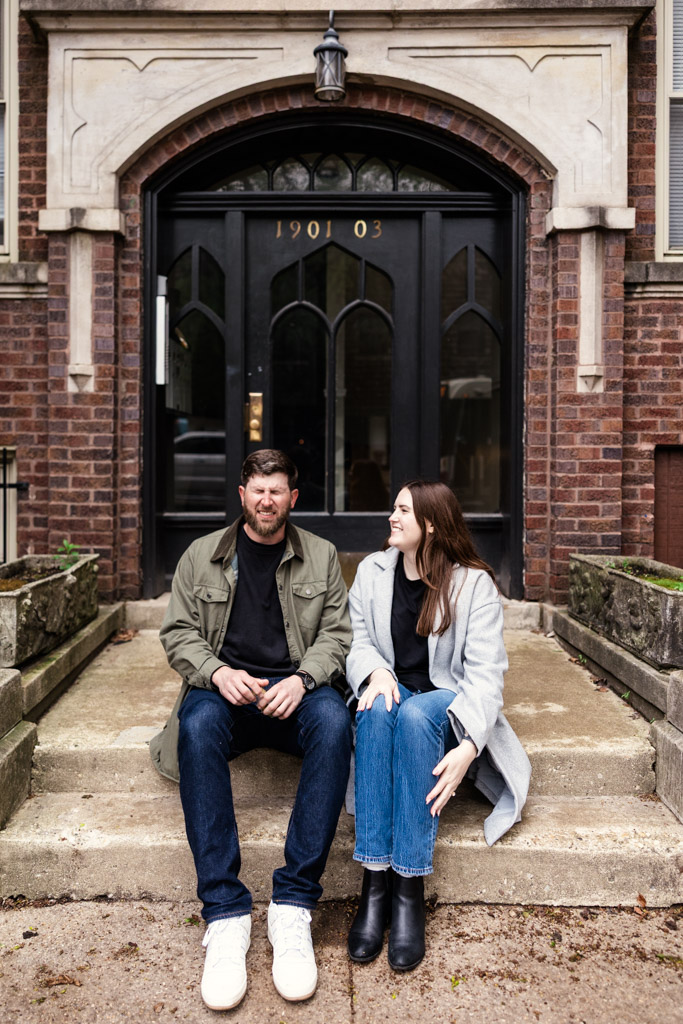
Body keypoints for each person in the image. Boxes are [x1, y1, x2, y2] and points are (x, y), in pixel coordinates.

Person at [150, 449, 352, 1010]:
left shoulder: (323, 555)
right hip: (229, 697)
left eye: (278, 490)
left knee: (336, 721)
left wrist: (306, 679)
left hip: (294, 697)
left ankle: (292, 909)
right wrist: (217, 672)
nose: (267, 500)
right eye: (258, 490)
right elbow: (179, 635)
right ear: (242, 496)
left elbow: (338, 636)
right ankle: (225, 913)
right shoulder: (200, 556)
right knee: (197, 723)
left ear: (293, 497)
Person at [345, 479, 531, 971]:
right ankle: (374, 882)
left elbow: (486, 678)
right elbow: (356, 640)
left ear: (430, 524)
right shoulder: (372, 571)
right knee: (381, 708)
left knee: (411, 713)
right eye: (393, 507)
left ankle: (408, 888)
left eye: (402, 510)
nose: (391, 516)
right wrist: (376, 671)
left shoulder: (473, 585)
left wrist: (470, 745)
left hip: (446, 707)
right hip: (394, 697)